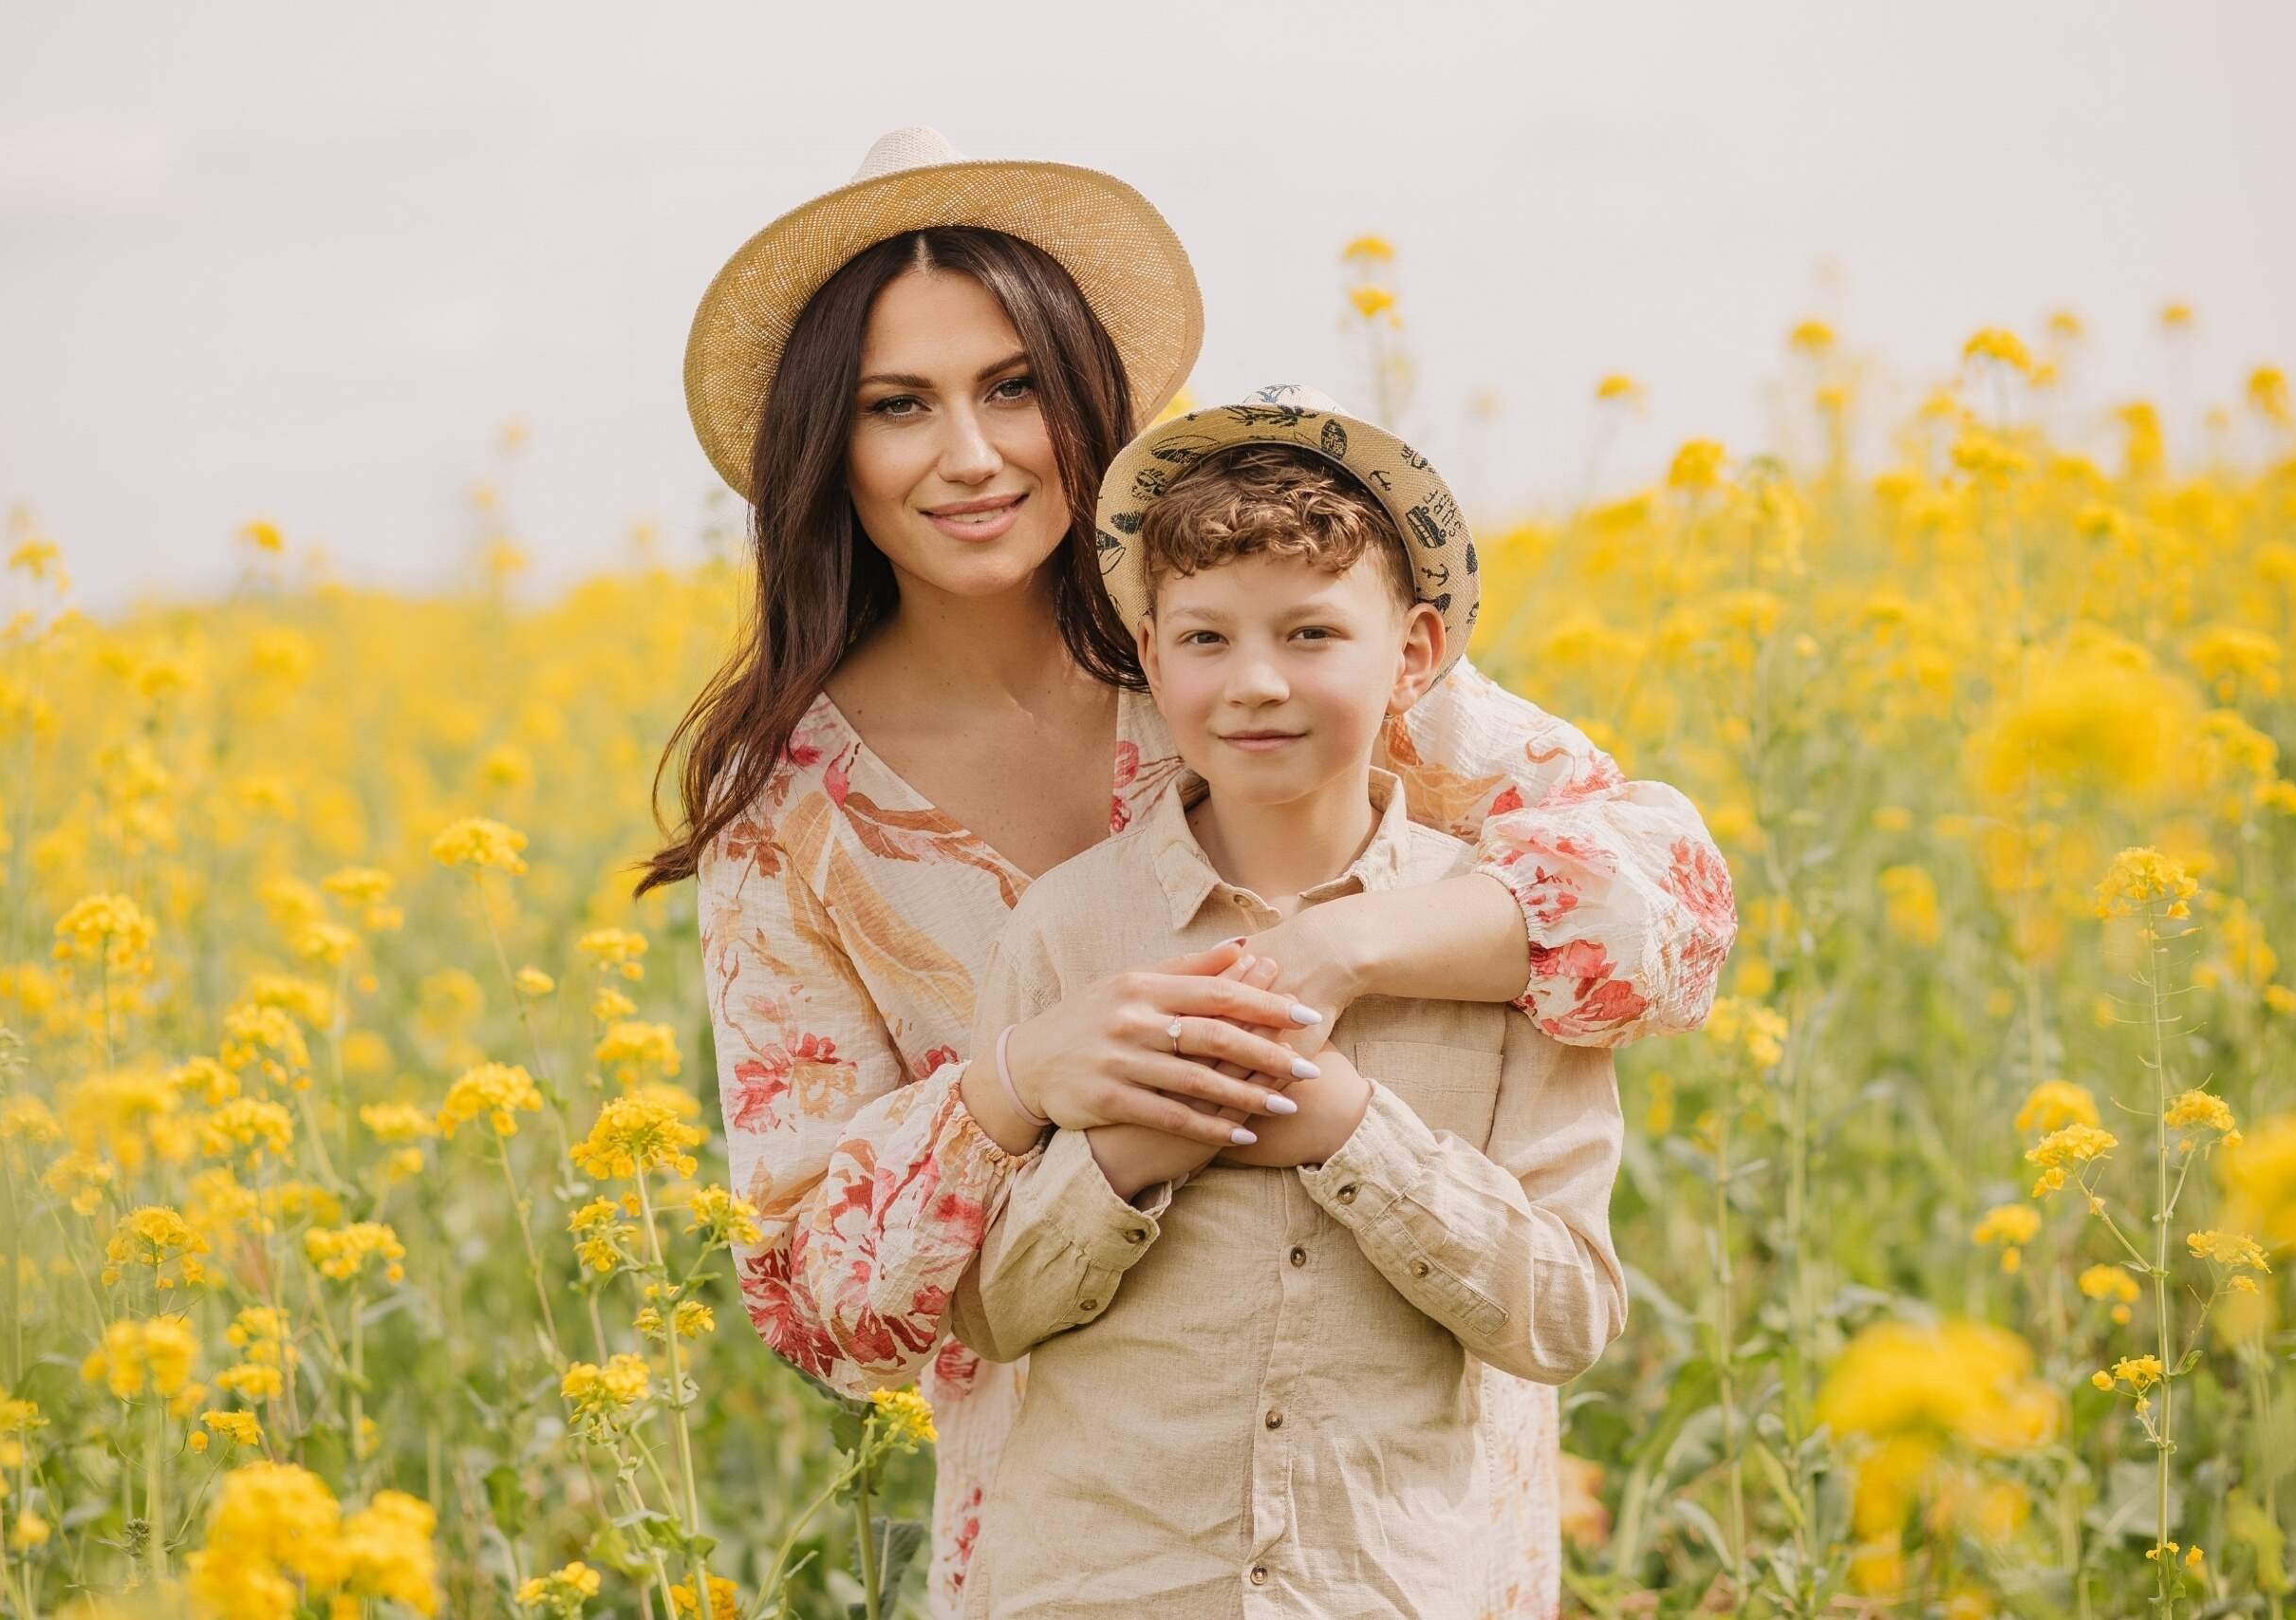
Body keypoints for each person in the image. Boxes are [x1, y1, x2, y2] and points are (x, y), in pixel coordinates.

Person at [644, 127, 1736, 1612]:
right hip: (1082, 1554)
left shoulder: (1246, 651)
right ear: (829, 445)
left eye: (1013, 386)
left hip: (1396, 1549)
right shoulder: (794, 821)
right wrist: (1024, 1078)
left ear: (1089, 397)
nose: (971, 454)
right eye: (899, 406)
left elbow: (1669, 903)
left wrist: (1352, 956)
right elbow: (811, 1298)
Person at [947, 388, 1626, 1617]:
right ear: (1152, 656)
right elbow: (986, 1311)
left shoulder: (1501, 947)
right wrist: (1128, 1155)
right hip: (1102, 1589)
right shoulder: (1067, 926)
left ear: (1414, 654)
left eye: (1311, 635)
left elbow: (1568, 1315)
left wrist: (1354, 1134)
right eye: (1206, 640)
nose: (1255, 683)